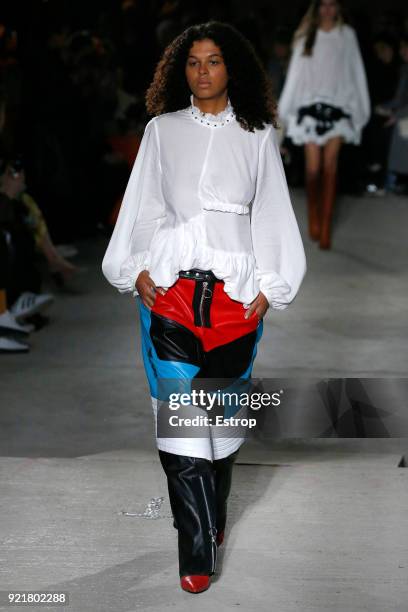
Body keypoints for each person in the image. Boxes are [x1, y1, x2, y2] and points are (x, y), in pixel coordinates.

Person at [102, 20, 306, 593]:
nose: (203, 71)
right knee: (183, 432)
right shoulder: (162, 131)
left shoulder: (259, 134)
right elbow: (142, 205)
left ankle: (210, 523)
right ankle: (195, 553)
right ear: (179, 70)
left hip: (235, 303)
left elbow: (270, 215)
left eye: (214, 61)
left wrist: (272, 287)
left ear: (231, 67)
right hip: (170, 296)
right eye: (193, 62)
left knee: (220, 428)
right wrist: (133, 269)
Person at [278, 0, 370, 249]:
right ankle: (314, 216)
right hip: (309, 108)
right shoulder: (306, 35)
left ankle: (326, 226)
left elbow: (355, 72)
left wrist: (360, 109)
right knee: (312, 170)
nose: (328, 10)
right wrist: (285, 112)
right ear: (317, 7)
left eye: (333, 5)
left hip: (338, 109)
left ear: (339, 8)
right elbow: (295, 75)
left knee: (330, 168)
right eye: (324, 4)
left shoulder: (346, 36)